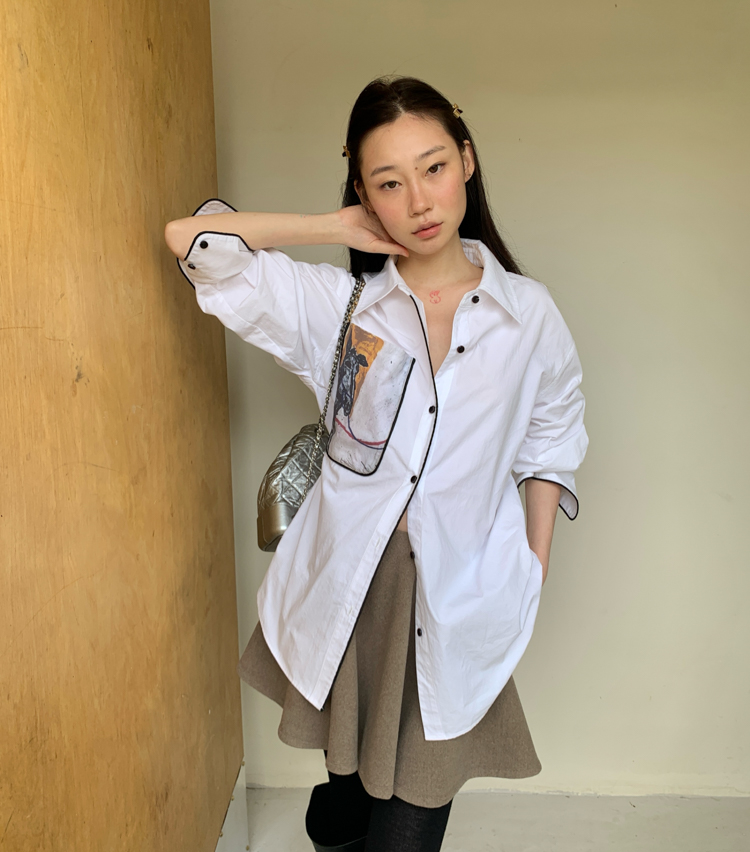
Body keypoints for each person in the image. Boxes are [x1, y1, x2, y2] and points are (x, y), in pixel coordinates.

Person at [165, 75, 588, 852]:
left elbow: (552, 432)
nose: (420, 200)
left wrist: (534, 563)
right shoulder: (342, 308)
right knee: (348, 798)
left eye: (434, 168)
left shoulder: (528, 315)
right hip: (352, 586)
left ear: (466, 162)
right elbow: (193, 243)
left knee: (409, 816)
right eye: (389, 183)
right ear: (363, 194)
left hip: (460, 593)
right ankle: (336, 817)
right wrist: (329, 226)